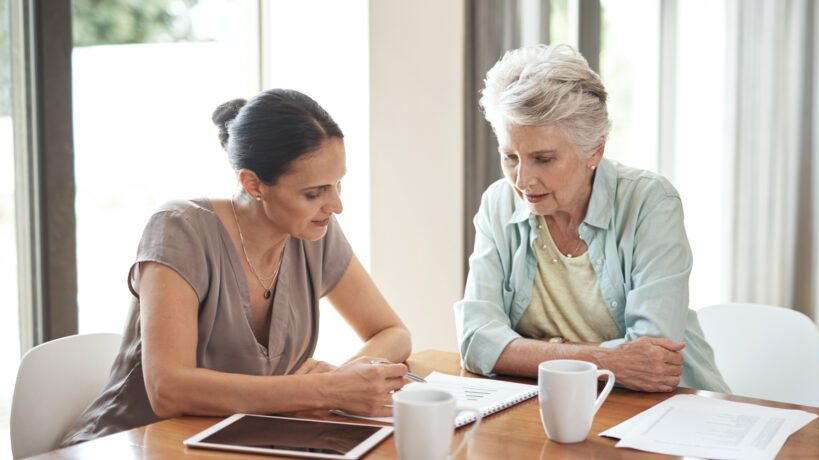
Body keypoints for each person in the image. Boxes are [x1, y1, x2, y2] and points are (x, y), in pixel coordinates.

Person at [62, 89, 412, 446]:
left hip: (235, 446)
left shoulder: (314, 234)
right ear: (253, 183)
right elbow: (168, 390)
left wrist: (344, 378)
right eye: (314, 193)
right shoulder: (179, 230)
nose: (336, 205)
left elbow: (393, 332)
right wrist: (321, 390)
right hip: (127, 445)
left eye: (338, 184)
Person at [454, 44, 729, 393]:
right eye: (510, 157)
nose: (522, 181)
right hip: (551, 403)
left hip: (664, 410)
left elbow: (652, 358)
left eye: (543, 159)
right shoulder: (498, 203)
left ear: (594, 150)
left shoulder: (650, 203)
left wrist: (522, 353)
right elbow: (476, 341)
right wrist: (608, 361)